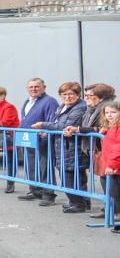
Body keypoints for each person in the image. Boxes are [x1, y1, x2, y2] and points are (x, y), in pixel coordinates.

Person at [33, 82, 88, 212]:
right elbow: (58, 123)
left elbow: (64, 125)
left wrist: (43, 125)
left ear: (78, 95)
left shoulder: (80, 107)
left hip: (73, 147)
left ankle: (79, 204)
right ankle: (78, 202)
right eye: (64, 94)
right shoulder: (63, 106)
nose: (67, 97)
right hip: (63, 146)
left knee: (72, 177)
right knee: (69, 176)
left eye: (71, 94)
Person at [68, 84, 116, 218]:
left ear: (101, 97)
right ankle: (109, 209)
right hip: (99, 150)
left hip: (106, 150)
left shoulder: (106, 107)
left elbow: (101, 128)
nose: (87, 98)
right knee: (105, 180)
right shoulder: (92, 108)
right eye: (87, 95)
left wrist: (79, 129)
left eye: (90, 95)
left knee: (110, 182)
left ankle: (112, 210)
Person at [17, 78, 60, 203]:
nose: (34, 89)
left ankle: (48, 194)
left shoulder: (50, 101)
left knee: (45, 167)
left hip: (43, 141)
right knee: (31, 166)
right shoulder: (27, 101)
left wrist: (46, 136)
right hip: (28, 140)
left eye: (37, 86)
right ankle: (35, 191)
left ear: (44, 87)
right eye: (31, 87)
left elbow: (52, 120)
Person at [96, 100, 120, 232]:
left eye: (114, 112)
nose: (109, 115)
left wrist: (111, 165)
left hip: (116, 168)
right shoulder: (112, 128)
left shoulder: (118, 128)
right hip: (114, 168)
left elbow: (117, 149)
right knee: (115, 196)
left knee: (117, 196)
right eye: (107, 112)